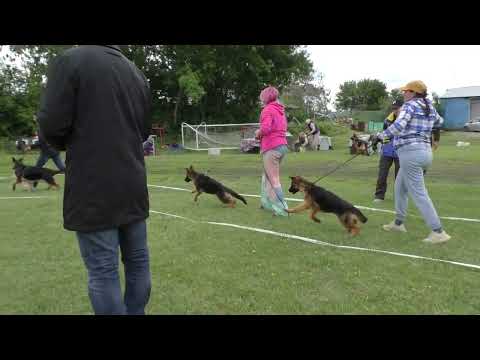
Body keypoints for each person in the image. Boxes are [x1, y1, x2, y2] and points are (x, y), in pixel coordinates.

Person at [38, 45, 152, 315]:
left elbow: (51, 124)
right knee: (138, 262)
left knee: (103, 270)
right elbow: (144, 129)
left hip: (93, 184)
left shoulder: (70, 61)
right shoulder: (135, 71)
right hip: (133, 181)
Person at [379, 80, 450, 244]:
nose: (403, 93)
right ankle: (398, 223)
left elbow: (398, 126)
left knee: (419, 193)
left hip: (410, 153)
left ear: (413, 93)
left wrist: (380, 136)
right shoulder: (429, 106)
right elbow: (440, 122)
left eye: (406, 91)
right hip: (425, 153)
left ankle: (438, 231)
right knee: (400, 187)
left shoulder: (409, 106)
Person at [255, 86, 289, 216]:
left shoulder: (267, 110)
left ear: (265, 97)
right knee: (267, 177)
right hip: (282, 146)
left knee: (273, 179)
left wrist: (258, 132)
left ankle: (282, 209)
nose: (261, 100)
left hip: (271, 148)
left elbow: (266, 128)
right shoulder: (280, 110)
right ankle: (266, 203)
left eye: (262, 97)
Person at [373, 100, 403, 202]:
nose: (395, 110)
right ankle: (379, 196)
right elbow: (385, 134)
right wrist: (381, 140)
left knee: (399, 177)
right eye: (393, 108)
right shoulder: (387, 120)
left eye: (397, 108)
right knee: (382, 174)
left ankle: (399, 197)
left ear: (402, 108)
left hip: (400, 152)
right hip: (387, 152)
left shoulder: (405, 120)